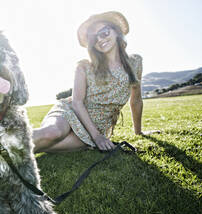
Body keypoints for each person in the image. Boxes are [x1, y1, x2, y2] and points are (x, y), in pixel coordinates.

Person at [33, 11, 158, 153]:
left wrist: (139, 132)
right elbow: (77, 103)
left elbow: (136, 100)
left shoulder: (135, 62)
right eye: (93, 37)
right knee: (52, 133)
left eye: (104, 32)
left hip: (96, 127)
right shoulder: (85, 66)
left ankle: (6, 154)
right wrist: (97, 137)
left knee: (47, 147)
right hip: (70, 113)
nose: (99, 39)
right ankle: (4, 141)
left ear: (116, 32)